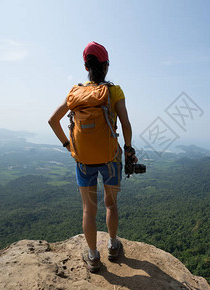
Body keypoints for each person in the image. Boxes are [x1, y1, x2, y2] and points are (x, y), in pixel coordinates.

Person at [48, 41, 137, 273]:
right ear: (106, 66)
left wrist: (69, 146)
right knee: (111, 204)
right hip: (110, 159)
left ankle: (93, 256)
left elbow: (52, 121)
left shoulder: (75, 93)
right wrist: (128, 149)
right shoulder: (114, 91)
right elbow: (126, 124)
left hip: (84, 161)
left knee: (89, 210)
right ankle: (113, 245)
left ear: (85, 66)